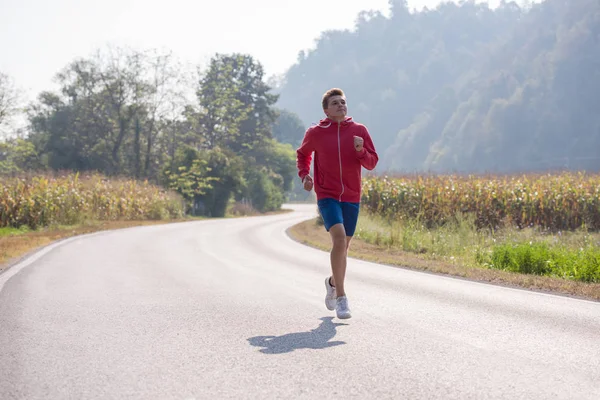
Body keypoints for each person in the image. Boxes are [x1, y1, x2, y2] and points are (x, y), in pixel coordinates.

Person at [296, 88, 379, 319]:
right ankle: (342, 298)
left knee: (344, 247)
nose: (341, 105)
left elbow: (372, 163)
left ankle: (332, 282)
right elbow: (303, 154)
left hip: (352, 196)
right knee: (339, 239)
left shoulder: (359, 131)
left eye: (343, 102)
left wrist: (361, 151)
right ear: (326, 110)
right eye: (335, 103)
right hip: (327, 195)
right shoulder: (317, 132)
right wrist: (305, 175)